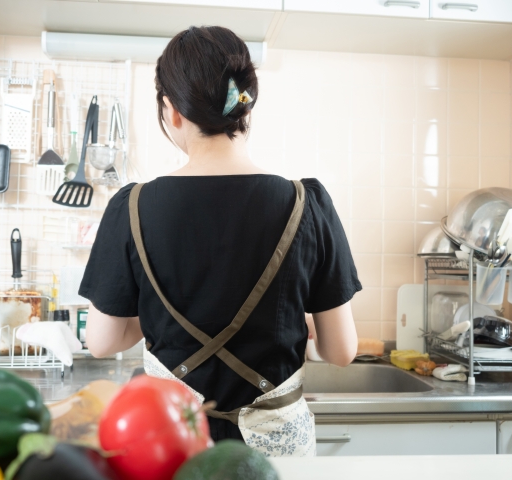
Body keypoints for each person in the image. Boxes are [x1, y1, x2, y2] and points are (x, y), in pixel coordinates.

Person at [79, 25, 361, 457]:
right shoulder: (308, 203)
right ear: (245, 106)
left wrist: (161, 320)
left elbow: (101, 342)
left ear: (172, 111)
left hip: (170, 444)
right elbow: (341, 351)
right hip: (275, 451)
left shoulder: (131, 205)